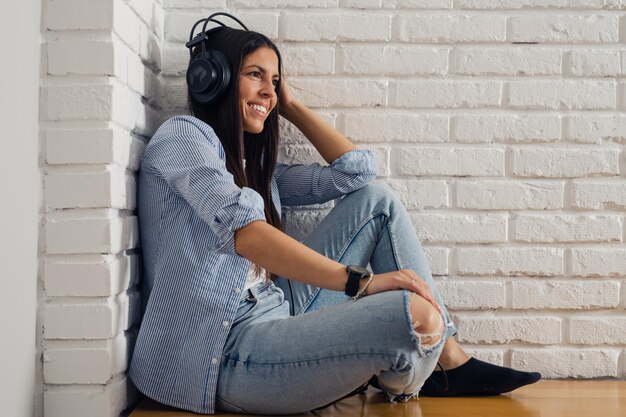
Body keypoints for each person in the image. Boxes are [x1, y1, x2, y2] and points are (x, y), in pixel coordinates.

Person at [129, 13, 541, 415]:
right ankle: (406, 369)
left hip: (279, 309)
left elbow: (356, 172)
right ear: (211, 78)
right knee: (416, 319)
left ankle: (445, 362)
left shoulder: (256, 170)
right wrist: (360, 284)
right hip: (225, 352)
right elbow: (248, 234)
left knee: (377, 201)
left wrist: (288, 105)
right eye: (255, 75)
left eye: (274, 81)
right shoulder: (183, 136)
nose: (268, 90)